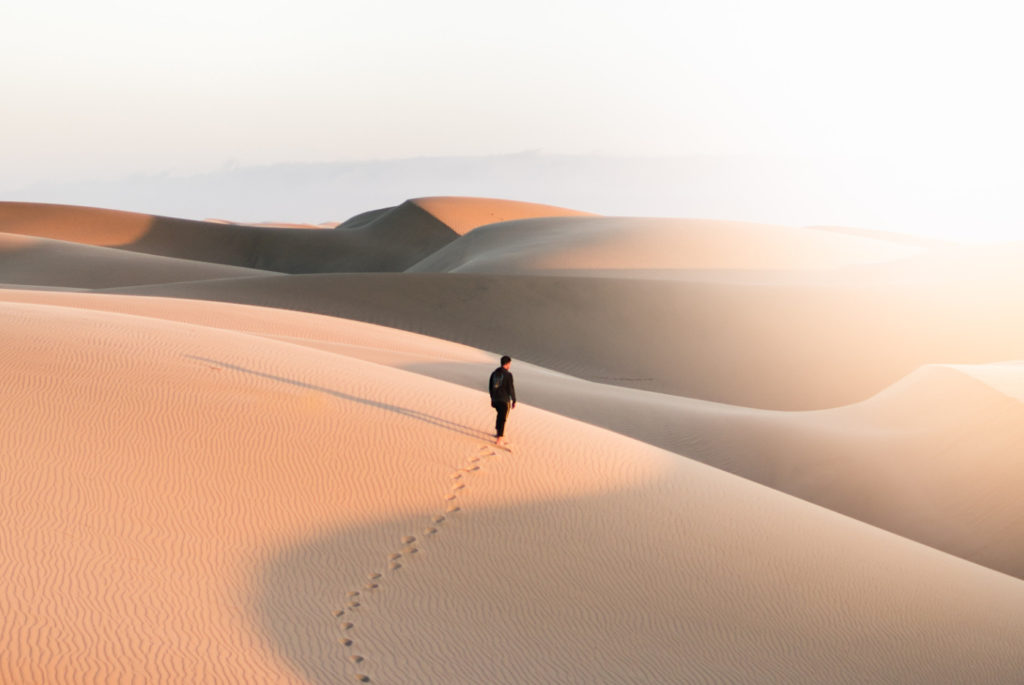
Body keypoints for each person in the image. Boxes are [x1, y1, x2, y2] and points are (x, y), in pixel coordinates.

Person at [488, 355, 516, 446]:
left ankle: (498, 432)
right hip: (504, 400)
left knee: (499, 415)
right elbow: (510, 388)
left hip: (495, 399)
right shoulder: (508, 375)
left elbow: (490, 387)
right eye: (510, 364)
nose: (510, 365)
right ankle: (500, 438)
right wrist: (514, 400)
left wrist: (492, 398)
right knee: (503, 418)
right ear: (507, 364)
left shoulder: (494, 373)